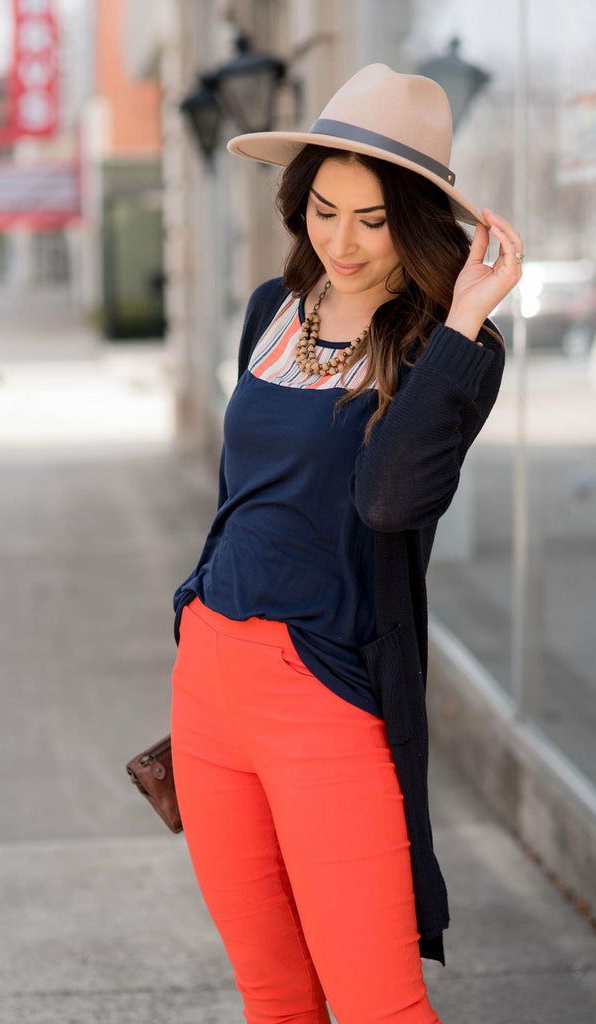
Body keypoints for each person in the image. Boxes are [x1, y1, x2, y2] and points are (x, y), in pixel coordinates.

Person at [169, 63, 524, 1024]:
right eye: (325, 210)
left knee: (377, 1005)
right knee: (276, 998)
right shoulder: (269, 314)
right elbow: (246, 489)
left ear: (415, 222)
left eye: (373, 219)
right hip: (209, 680)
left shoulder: (450, 355)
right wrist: (198, 597)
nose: (343, 241)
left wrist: (461, 317)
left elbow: (388, 498)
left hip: (324, 689)